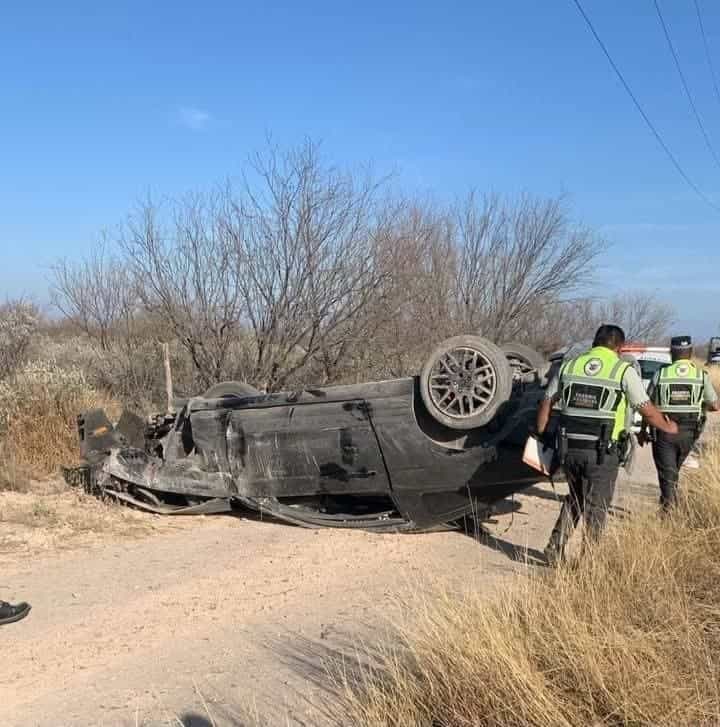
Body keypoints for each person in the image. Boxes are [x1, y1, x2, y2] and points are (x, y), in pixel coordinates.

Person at [536, 324, 678, 564]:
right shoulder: (622, 371)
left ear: (594, 343)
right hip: (602, 452)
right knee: (597, 506)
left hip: (568, 448)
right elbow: (646, 410)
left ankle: (554, 547)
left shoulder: (568, 366)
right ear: (620, 348)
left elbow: (547, 402)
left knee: (576, 497)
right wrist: (668, 427)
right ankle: (589, 563)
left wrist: (540, 433)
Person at [644, 335, 719, 510]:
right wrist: (697, 406)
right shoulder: (700, 375)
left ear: (672, 352)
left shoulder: (661, 374)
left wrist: (642, 430)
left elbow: (647, 405)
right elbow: (715, 405)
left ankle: (668, 510)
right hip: (690, 432)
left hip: (663, 431)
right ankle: (669, 509)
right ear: (691, 352)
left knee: (667, 473)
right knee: (672, 471)